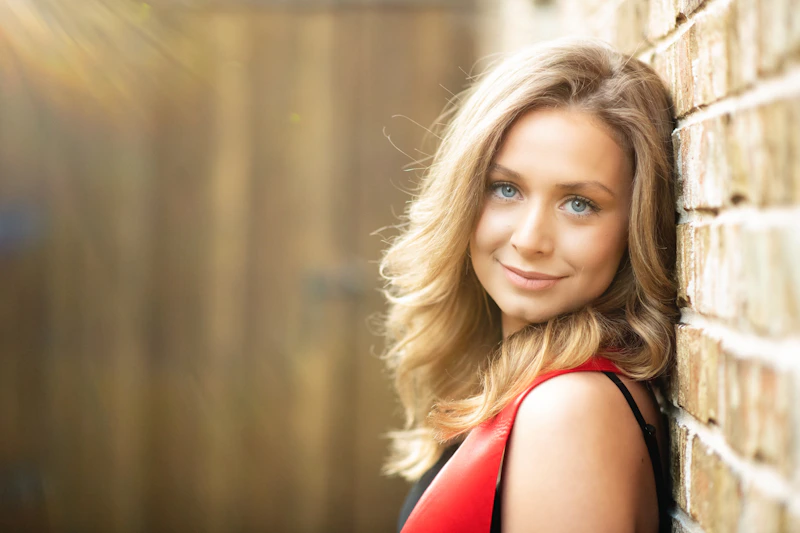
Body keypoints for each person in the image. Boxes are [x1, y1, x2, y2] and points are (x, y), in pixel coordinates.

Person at [379, 36, 678, 533]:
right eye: (506, 189)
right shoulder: (529, 380)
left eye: (579, 203)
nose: (529, 239)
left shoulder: (569, 412)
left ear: (635, 228)